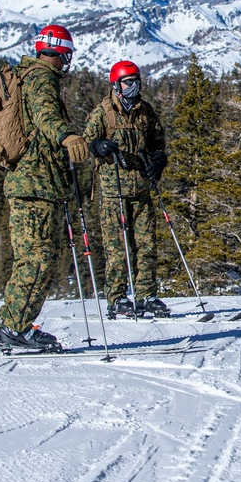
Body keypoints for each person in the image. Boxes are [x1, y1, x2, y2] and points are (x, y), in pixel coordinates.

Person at [0, 24, 90, 352]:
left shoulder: (28, 76)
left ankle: (12, 323)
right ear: (60, 51)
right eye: (68, 54)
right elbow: (46, 117)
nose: (67, 60)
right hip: (36, 184)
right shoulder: (40, 77)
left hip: (32, 183)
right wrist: (68, 136)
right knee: (38, 257)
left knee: (33, 257)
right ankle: (14, 326)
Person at [83, 60, 170, 319]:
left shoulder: (146, 112)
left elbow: (158, 143)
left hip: (141, 188)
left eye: (137, 81)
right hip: (114, 192)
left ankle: (146, 295)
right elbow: (87, 141)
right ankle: (117, 297)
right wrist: (98, 146)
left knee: (146, 245)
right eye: (128, 82)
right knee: (116, 248)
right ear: (116, 85)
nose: (134, 87)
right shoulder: (103, 112)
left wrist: (158, 162)